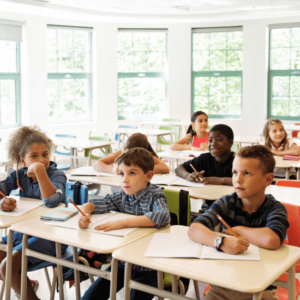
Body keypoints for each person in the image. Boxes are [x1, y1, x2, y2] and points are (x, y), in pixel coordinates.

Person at [188, 145, 289, 300]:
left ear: (268, 179)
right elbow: (194, 229)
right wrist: (221, 242)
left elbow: (272, 239)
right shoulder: (226, 202)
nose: (238, 180)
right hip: (223, 288)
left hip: (261, 291)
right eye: (235, 172)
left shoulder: (274, 208)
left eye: (247, 173)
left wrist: (239, 229)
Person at [79, 147, 170, 300]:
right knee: (89, 297)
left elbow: (162, 216)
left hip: (148, 267)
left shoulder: (156, 195)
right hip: (122, 262)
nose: (124, 179)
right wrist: (84, 214)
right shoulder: (123, 194)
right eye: (121, 173)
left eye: (132, 173)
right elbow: (95, 204)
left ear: (149, 176)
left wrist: (124, 222)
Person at [0, 126, 67, 300]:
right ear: (23, 160)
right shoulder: (19, 175)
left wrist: (38, 170)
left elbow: (52, 202)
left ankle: (25, 294)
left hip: (53, 236)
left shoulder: (57, 175)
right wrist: (3, 202)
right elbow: (2, 189)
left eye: (45, 154)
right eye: (34, 156)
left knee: (6, 267)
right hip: (25, 233)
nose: (41, 160)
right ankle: (26, 287)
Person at [93, 133, 169, 174]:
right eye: (127, 152)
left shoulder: (149, 156)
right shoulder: (122, 152)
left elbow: (165, 168)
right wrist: (113, 170)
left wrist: (137, 170)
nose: (129, 155)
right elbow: (97, 163)